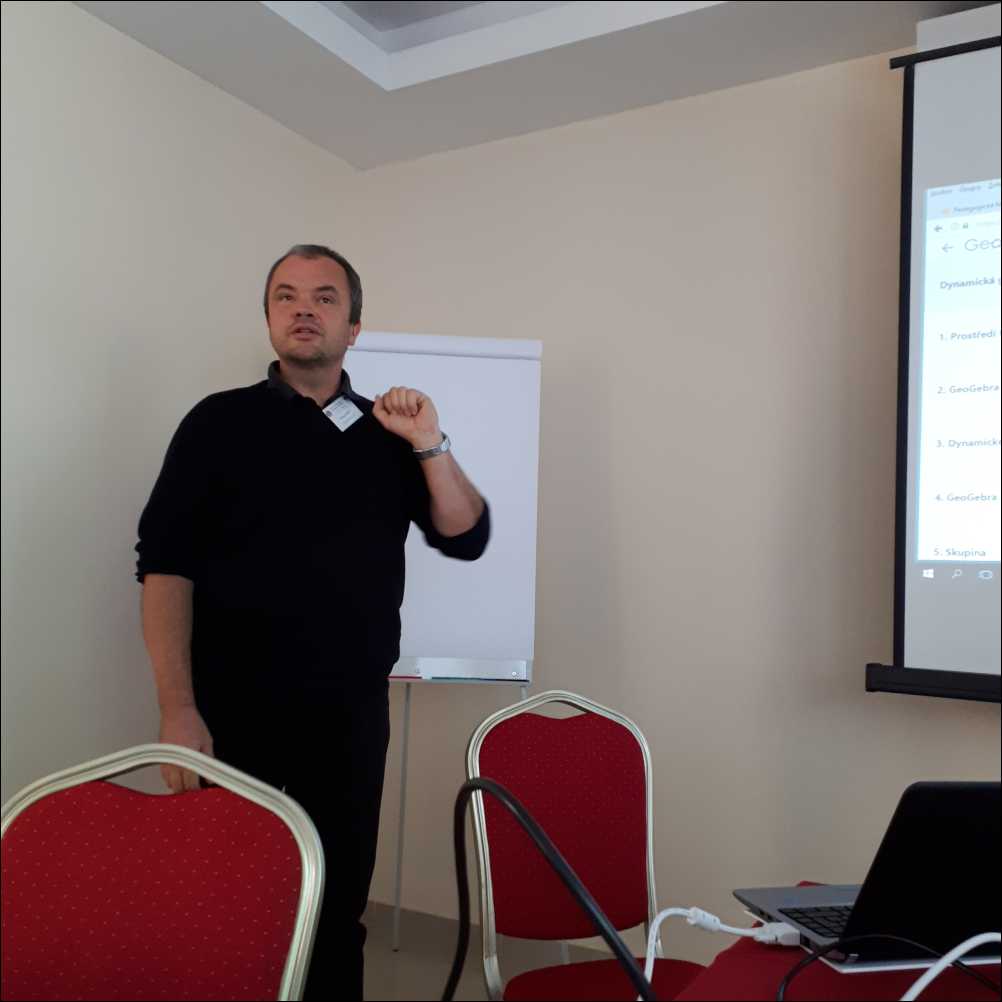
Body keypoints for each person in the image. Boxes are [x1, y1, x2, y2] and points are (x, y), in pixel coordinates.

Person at [135, 244, 490, 999]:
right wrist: (176, 709)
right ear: (268, 318)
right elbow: (164, 566)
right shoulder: (216, 423)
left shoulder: (388, 435)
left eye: (325, 297)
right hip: (232, 714)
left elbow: (465, 534)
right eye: (286, 296)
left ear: (353, 327)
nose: (304, 309)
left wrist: (428, 442)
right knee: (226, 903)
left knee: (336, 912)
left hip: (349, 718)